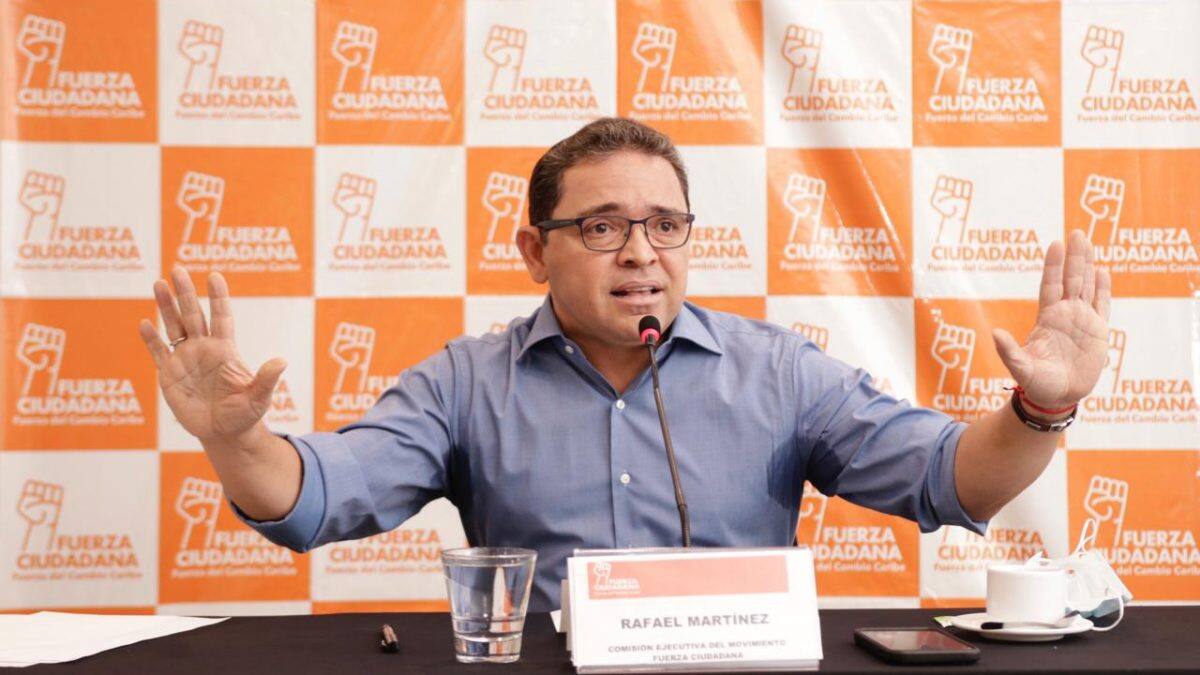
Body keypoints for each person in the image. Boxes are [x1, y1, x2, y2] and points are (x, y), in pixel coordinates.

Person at [138, 118, 1111, 612]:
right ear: (536, 251)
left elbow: (950, 478)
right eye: (603, 228)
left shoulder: (778, 371)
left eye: (665, 225)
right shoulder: (467, 382)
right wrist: (238, 443)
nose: (642, 254)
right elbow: (322, 497)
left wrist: (1038, 410)